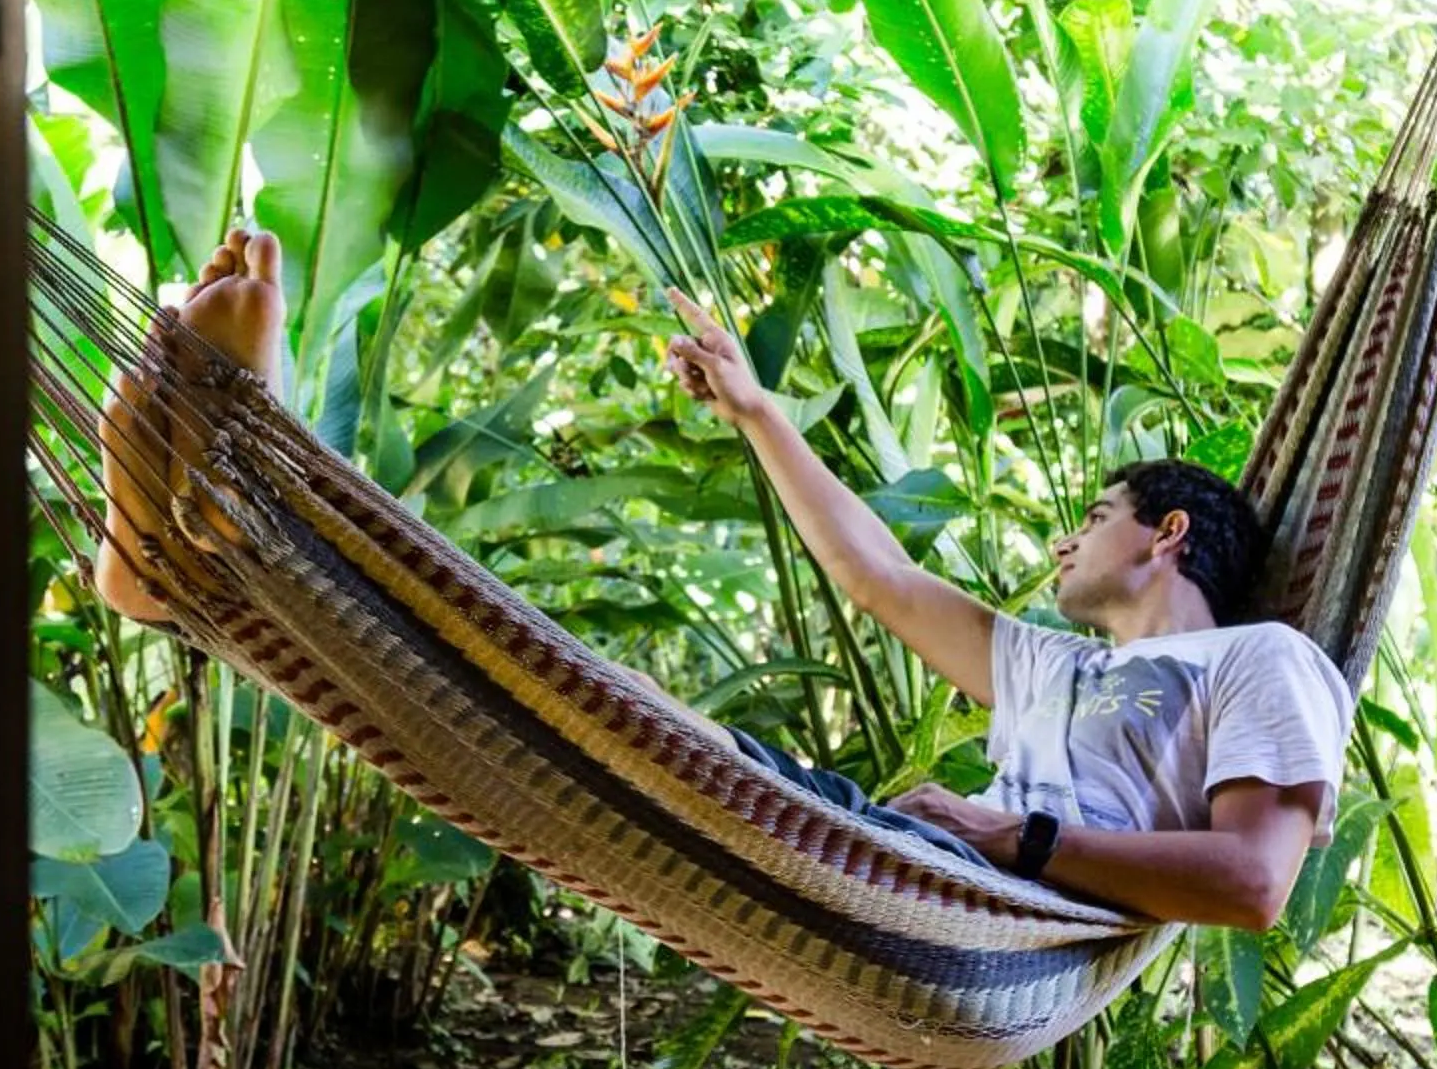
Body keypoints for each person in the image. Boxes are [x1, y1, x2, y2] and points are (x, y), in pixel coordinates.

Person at [95, 231, 1350, 930]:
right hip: (913, 859)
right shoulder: (1051, 661)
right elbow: (880, 575)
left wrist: (1003, 829)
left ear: (1167, 535)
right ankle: (211, 547)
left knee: (599, 722)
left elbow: (1253, 882)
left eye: (1095, 515)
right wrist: (757, 411)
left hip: (977, 891)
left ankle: (221, 519)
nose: (1066, 541)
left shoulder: (1257, 661)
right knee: (593, 712)